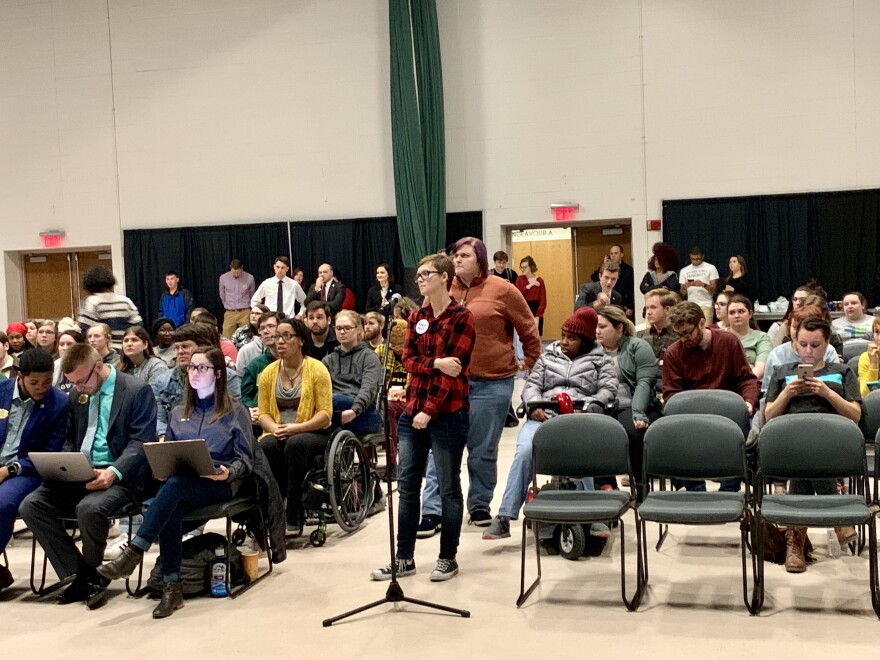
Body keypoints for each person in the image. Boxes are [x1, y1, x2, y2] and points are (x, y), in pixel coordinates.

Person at [96, 347, 253, 618]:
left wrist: (228, 471)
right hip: (182, 483)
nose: (194, 373)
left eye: (201, 368)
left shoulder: (235, 410)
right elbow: (169, 449)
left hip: (220, 482)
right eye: (191, 367)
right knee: (173, 500)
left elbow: (246, 459)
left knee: (173, 491)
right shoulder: (180, 411)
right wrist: (162, 466)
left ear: (217, 373)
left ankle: (136, 552)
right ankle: (172, 586)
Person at [418, 237, 541, 534]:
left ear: (481, 260)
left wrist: (530, 366)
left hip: (491, 383)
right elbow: (422, 330)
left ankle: (479, 504)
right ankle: (433, 510)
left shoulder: (504, 290)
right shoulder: (441, 289)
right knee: (441, 449)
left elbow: (528, 330)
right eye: (455, 256)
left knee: (483, 450)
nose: (458, 260)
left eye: (465, 255)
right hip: (446, 384)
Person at [19, 343, 156, 608]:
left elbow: (141, 442)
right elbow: (71, 439)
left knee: (89, 509)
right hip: (82, 472)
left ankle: (88, 577)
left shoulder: (137, 391)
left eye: (81, 382)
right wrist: (66, 464)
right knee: (31, 504)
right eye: (72, 384)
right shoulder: (77, 395)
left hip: (121, 476)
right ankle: (84, 574)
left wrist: (113, 472)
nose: (78, 389)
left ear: (99, 367)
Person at [371, 252, 475, 581]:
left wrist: (429, 412)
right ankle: (404, 557)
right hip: (413, 411)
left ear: (444, 277)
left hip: (447, 413)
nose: (420, 280)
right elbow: (408, 360)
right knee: (408, 487)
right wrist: (434, 363)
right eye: (418, 276)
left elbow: (454, 370)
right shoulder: (418, 316)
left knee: (447, 488)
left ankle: (448, 556)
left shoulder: (462, 316)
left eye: (426, 274)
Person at [482, 307, 617, 541]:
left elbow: (608, 389)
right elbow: (531, 385)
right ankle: (504, 517)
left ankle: (593, 515)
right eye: (563, 335)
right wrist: (535, 406)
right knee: (525, 451)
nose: (564, 341)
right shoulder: (548, 356)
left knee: (581, 452)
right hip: (545, 415)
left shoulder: (601, 360)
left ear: (584, 341)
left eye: (571, 338)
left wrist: (589, 405)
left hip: (579, 417)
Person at [764, 316, 861, 572]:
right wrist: (787, 393)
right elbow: (769, 417)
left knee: (807, 461)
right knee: (803, 451)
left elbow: (855, 415)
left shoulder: (842, 372)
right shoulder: (783, 372)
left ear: (827, 343)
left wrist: (826, 392)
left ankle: (795, 540)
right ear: (794, 342)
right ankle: (837, 512)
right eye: (803, 344)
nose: (808, 351)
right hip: (792, 443)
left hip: (832, 444)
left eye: (815, 345)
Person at [663, 302, 759, 491]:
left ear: (701, 323)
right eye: (679, 334)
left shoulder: (728, 342)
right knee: (674, 430)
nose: (684, 339)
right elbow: (672, 396)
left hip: (727, 413)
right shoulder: (674, 353)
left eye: (688, 332)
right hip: (691, 416)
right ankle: (695, 489)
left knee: (743, 422)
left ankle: (729, 490)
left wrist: (748, 402)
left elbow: (746, 379)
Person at [0, 349, 69, 592]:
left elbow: (53, 450)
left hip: (27, 471)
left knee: (3, 503)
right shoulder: (1, 392)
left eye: (47, 382)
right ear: (19, 376)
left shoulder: (59, 403)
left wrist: (10, 469)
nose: (42, 388)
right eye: (34, 382)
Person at [257, 318, 333, 534]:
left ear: (300, 341)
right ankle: (273, 511)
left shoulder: (317, 369)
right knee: (267, 446)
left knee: (295, 444)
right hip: (280, 430)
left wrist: (295, 428)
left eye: (286, 336)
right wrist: (273, 428)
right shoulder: (268, 373)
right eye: (277, 336)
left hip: (312, 432)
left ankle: (294, 514)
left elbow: (325, 414)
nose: (280, 341)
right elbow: (263, 413)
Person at [595, 306, 661, 497]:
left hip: (632, 404)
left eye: (602, 326)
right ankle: (607, 487)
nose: (597, 331)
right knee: (593, 432)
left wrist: (638, 413)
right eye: (595, 326)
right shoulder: (592, 350)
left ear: (619, 328)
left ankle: (641, 487)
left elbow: (644, 383)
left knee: (635, 432)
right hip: (602, 405)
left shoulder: (637, 347)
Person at [152, 323, 241, 435]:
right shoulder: (161, 381)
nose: (180, 352)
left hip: (216, 436)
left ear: (202, 348)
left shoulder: (227, 377)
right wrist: (163, 436)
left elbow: (231, 416)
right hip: (175, 438)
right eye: (177, 347)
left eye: (185, 346)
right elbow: (159, 418)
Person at [322, 310, 382, 436]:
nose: (342, 332)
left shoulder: (369, 357)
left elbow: (368, 389)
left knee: (334, 399)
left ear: (359, 329)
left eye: (347, 328)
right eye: (338, 328)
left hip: (365, 412)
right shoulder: (328, 360)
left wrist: (354, 411)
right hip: (335, 412)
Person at [762, 304, 840, 391]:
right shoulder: (776, 355)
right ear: (789, 327)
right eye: (795, 327)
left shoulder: (828, 351)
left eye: (806, 328)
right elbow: (766, 393)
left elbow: (838, 385)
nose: (798, 333)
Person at [77, 265, 143, 349]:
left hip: (103, 351)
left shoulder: (91, 302)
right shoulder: (126, 301)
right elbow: (138, 327)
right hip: (126, 349)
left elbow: (84, 330)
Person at [240, 311, 282, 422]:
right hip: (258, 418)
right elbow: (245, 395)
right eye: (262, 328)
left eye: (271, 326)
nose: (266, 331)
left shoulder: (294, 361)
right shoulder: (256, 364)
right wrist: (251, 409)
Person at [727, 294, 772, 380]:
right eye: (732, 312)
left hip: (751, 381)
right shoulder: (719, 336)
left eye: (741, 311)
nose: (736, 315)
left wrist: (744, 383)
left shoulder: (761, 337)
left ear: (750, 314)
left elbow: (760, 369)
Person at [590, 244, 635, 317]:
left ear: (621, 254)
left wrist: (630, 306)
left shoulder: (628, 270)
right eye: (611, 254)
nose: (613, 256)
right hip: (605, 301)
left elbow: (631, 289)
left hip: (621, 302)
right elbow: (594, 278)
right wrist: (604, 265)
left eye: (616, 253)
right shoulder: (605, 268)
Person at [636, 287, 679, 362]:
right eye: (647, 308)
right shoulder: (639, 336)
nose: (648, 312)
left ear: (667, 309)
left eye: (653, 307)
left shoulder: (679, 336)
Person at [678, 247, 719, 324]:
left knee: (706, 328)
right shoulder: (684, 271)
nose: (696, 261)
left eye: (698, 259)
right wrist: (685, 287)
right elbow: (681, 294)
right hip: (691, 304)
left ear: (702, 257)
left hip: (706, 304)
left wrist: (703, 285)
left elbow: (715, 290)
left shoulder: (710, 268)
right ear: (690, 256)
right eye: (693, 259)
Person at [218, 258, 257, 338]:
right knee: (226, 337)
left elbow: (252, 295)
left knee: (246, 338)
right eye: (233, 272)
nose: (235, 274)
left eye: (238, 272)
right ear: (230, 267)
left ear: (241, 268)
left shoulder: (249, 278)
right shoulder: (223, 278)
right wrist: (227, 305)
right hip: (230, 312)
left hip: (244, 312)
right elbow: (222, 295)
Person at [639, 242, 680, 314]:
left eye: (659, 260)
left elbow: (673, 287)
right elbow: (643, 288)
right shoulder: (649, 275)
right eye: (655, 260)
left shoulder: (671, 275)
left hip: (666, 303)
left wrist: (652, 288)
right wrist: (661, 287)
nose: (657, 262)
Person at [516, 256, 547, 336]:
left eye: (525, 267)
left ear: (531, 267)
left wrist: (537, 317)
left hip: (536, 311)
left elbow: (543, 301)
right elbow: (518, 295)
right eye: (521, 267)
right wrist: (529, 286)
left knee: (537, 338)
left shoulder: (540, 281)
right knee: (525, 337)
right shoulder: (520, 279)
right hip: (524, 310)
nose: (523, 269)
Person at [53, 330, 86, 394]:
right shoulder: (54, 365)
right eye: (61, 344)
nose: (64, 348)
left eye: (69, 344)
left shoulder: (88, 367)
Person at [857, 316, 880, 396]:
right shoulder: (866, 357)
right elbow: (865, 394)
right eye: (877, 332)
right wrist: (873, 364)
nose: (879, 338)